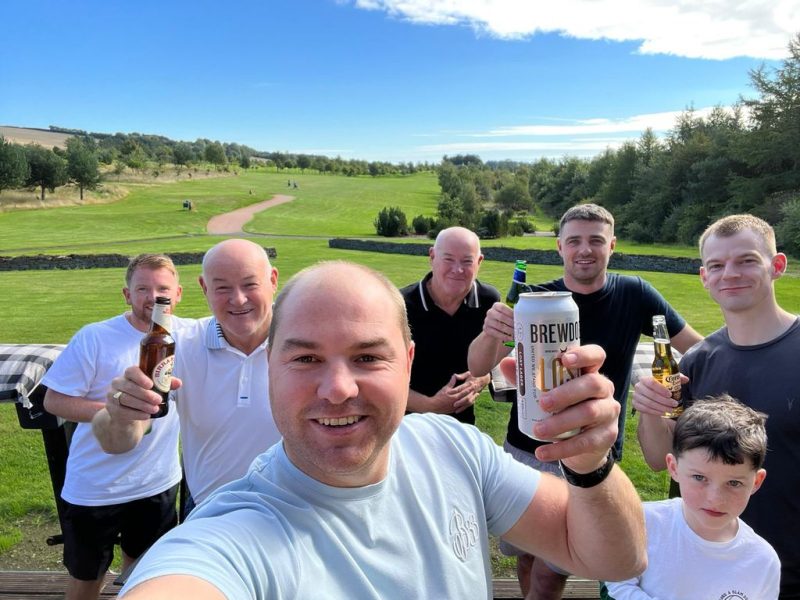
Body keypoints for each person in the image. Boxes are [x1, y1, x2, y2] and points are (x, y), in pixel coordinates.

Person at [118, 260, 647, 599]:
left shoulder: (452, 447)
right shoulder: (232, 535)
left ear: (408, 363)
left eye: (368, 356)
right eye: (305, 359)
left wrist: (589, 462)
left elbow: (616, 559)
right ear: (269, 368)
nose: (338, 389)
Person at [468, 203, 701, 600]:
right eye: (574, 240)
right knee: (526, 556)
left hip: (591, 455)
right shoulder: (535, 298)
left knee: (551, 573)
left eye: (596, 240)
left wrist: (678, 387)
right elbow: (478, 364)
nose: (585, 250)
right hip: (527, 447)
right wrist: (491, 333)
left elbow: (694, 348)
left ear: (612, 245)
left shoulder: (636, 293)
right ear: (560, 247)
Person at [633, 213, 800, 599]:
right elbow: (661, 459)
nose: (730, 274)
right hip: (695, 566)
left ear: (776, 266)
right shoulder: (696, 361)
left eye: (746, 260)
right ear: (704, 277)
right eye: (717, 265)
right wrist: (650, 409)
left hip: (783, 568)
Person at [92, 238, 282, 507]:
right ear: (204, 288)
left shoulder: (304, 343)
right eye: (222, 288)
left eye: (250, 284)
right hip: (211, 509)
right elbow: (118, 440)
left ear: (273, 280)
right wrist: (119, 415)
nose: (238, 299)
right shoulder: (179, 344)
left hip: (294, 509)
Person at [42, 254, 186, 600]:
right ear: (127, 295)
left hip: (158, 482)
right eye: (143, 289)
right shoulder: (95, 337)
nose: (153, 296)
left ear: (178, 294)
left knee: (143, 575)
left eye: (162, 288)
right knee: (86, 581)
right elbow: (53, 401)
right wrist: (115, 410)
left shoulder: (185, 335)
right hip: (95, 488)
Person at [604, 394, 779, 599]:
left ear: (756, 482)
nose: (715, 499)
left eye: (734, 483)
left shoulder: (762, 561)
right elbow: (616, 585)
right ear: (674, 467)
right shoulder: (642, 523)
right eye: (699, 477)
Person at [400, 226, 499, 425]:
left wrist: (481, 379)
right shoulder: (401, 304)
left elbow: (499, 353)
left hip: (462, 428)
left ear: (479, 262)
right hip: (408, 427)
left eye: (467, 261)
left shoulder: (489, 301)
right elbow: (383, 376)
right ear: (432, 256)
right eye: (448, 259)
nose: (458, 269)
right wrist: (431, 406)